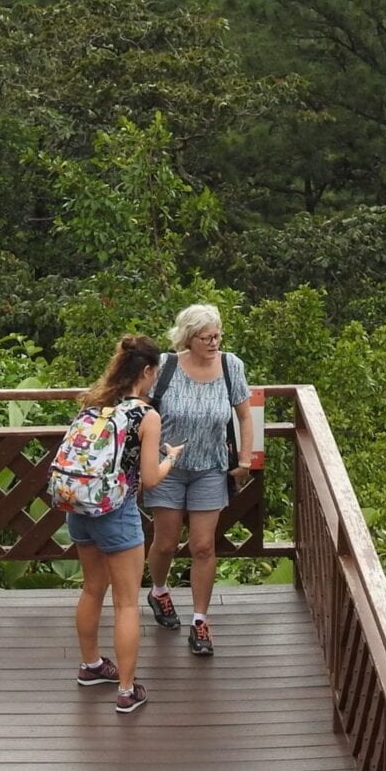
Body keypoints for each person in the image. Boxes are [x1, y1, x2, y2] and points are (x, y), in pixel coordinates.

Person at [69, 333, 182, 714]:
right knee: (127, 604)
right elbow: (150, 478)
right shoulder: (145, 415)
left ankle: (90, 665)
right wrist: (171, 459)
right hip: (116, 512)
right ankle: (127, 690)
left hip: (81, 506)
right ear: (147, 372)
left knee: (91, 589)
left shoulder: (96, 402)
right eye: (155, 374)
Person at [143, 302, 251, 658]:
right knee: (166, 542)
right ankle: (159, 590)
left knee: (203, 546)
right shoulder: (166, 367)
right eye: (206, 337)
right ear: (188, 338)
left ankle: (200, 620)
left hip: (211, 467)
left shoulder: (231, 366)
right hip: (166, 467)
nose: (214, 342)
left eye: (217, 335)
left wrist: (245, 460)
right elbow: (141, 409)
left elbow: (245, 417)